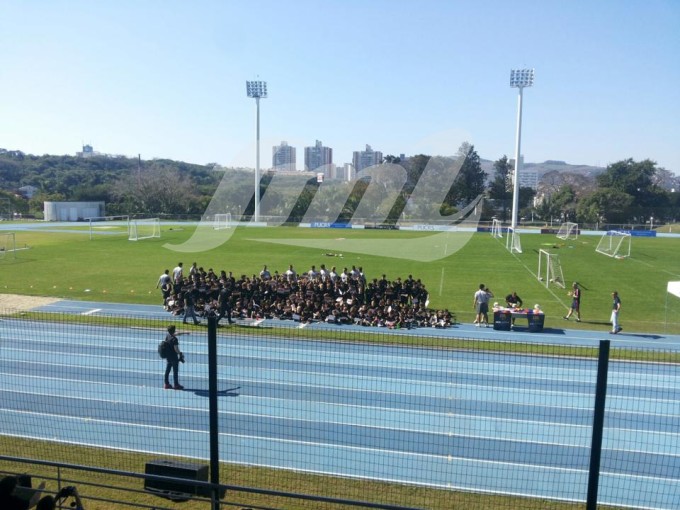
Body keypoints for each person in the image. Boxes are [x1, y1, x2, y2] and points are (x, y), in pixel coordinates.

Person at [163, 325, 187, 390]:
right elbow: (176, 349)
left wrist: (184, 333)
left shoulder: (168, 336)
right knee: (175, 371)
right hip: (174, 357)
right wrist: (180, 353)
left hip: (168, 356)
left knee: (167, 370)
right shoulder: (175, 339)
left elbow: (175, 334)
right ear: (173, 330)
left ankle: (166, 384)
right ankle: (176, 385)